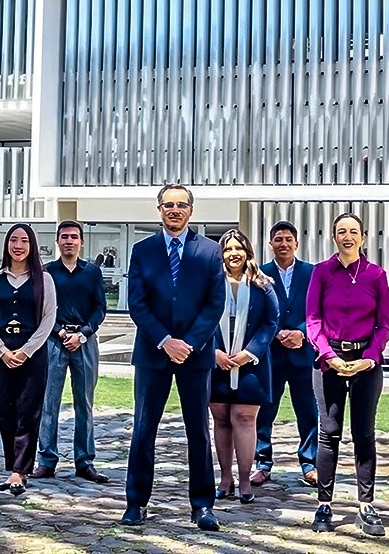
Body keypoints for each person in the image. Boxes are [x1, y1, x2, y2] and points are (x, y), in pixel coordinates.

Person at [122, 183, 225, 531]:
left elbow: (215, 305)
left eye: (181, 205)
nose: (174, 210)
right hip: (153, 354)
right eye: (168, 205)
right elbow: (137, 303)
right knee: (143, 429)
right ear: (159, 210)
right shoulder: (143, 250)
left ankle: (202, 505)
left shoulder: (210, 251)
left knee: (198, 430)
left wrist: (189, 344)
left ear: (190, 211)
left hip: (195, 357)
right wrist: (166, 340)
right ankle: (136, 502)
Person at [306, 211, 389, 537]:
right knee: (329, 433)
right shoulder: (321, 273)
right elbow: (312, 321)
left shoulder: (376, 275)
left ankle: (366, 505)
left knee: (363, 433)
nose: (347, 236)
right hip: (329, 362)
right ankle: (324, 504)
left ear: (363, 237)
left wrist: (368, 358)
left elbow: (384, 325)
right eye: (341, 231)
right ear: (333, 237)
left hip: (366, 364)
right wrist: (329, 355)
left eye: (353, 231)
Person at [0, 223, 57, 496]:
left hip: (33, 353)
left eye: (24, 241)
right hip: (3, 352)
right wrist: (1, 350)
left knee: (28, 410)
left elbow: (49, 318)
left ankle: (20, 471)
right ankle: (11, 464)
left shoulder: (43, 279)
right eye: (14, 240)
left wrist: (27, 350)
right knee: (5, 409)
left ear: (32, 246)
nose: (18, 245)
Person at [32, 221, 109, 483]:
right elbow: (39, 308)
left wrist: (83, 334)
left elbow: (100, 308)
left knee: (84, 403)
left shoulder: (92, 272)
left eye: (74, 237)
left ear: (81, 242)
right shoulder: (47, 272)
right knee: (48, 402)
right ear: (57, 241)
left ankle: (84, 461)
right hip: (54, 341)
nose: (69, 241)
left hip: (85, 341)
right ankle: (46, 460)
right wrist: (61, 332)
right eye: (64, 236)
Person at [211, 230, 279, 504]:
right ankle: (225, 478)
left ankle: (244, 480)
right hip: (215, 362)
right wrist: (213, 352)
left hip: (251, 364)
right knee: (222, 419)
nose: (233, 254)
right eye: (228, 249)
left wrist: (250, 352)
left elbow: (271, 321)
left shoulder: (262, 283)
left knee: (244, 418)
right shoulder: (210, 282)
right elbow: (198, 317)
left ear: (247, 251)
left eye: (238, 248)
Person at [252, 221, 319, 487]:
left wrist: (301, 333)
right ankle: (263, 462)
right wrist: (277, 333)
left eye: (288, 239)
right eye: (278, 239)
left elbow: (317, 310)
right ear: (271, 244)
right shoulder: (260, 274)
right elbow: (256, 311)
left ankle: (310, 463)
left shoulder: (311, 273)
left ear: (296, 243)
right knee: (265, 410)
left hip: (303, 353)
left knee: (308, 411)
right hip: (272, 354)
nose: (283, 244)